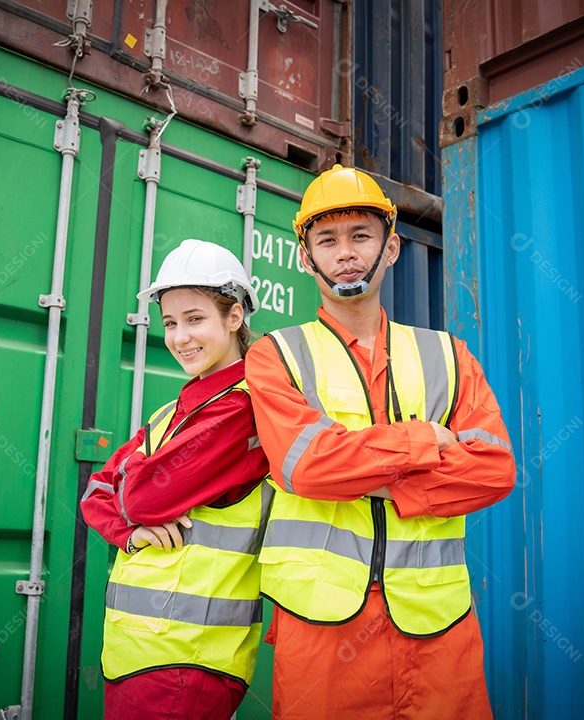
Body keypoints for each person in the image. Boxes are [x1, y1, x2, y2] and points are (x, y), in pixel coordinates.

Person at [245, 165, 516, 719]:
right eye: (327, 239)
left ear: (391, 248)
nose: (345, 253)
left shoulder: (448, 354)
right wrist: (422, 442)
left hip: (437, 629)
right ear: (305, 256)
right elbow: (308, 468)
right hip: (323, 633)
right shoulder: (275, 356)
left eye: (361, 236)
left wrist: (377, 482)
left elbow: (494, 470)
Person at [80, 239, 271, 720]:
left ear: (234, 318)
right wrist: (127, 531)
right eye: (169, 322)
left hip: (188, 662)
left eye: (195, 318)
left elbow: (142, 494)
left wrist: (132, 499)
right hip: (140, 655)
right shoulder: (174, 411)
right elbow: (97, 491)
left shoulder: (242, 407)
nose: (179, 336)